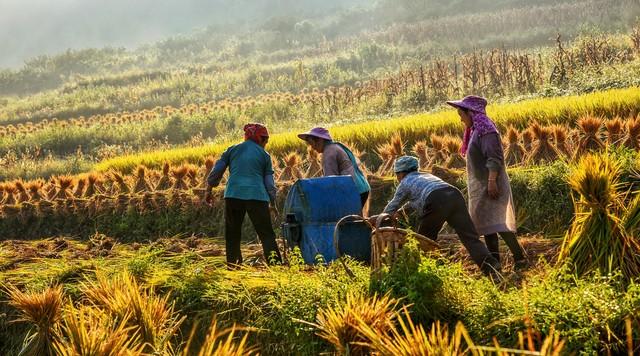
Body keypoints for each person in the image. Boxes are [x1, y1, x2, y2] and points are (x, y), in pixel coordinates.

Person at [381, 156, 501, 275]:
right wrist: (401, 213)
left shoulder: (405, 182)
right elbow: (416, 201)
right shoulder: (426, 176)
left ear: (401, 173)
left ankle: (426, 273)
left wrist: (380, 218)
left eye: (396, 174)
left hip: (436, 199)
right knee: (469, 237)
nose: (397, 178)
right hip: (454, 195)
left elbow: (393, 204)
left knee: (425, 240)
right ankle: (491, 266)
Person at [446, 96, 528, 269]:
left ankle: (520, 259)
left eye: (461, 114)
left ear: (471, 112)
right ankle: (495, 263)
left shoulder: (487, 131)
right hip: (481, 185)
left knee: (498, 223)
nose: (460, 118)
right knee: (487, 225)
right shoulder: (475, 131)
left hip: (491, 184)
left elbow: (494, 158)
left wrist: (492, 181)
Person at [205, 123, 282, 266]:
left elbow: (216, 172)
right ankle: (276, 265)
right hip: (257, 196)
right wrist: (273, 203)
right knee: (266, 233)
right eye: (265, 140)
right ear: (260, 139)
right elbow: (270, 185)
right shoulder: (264, 155)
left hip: (233, 195)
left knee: (232, 234)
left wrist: (208, 191)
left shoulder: (232, 150)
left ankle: (233, 266)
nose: (265, 144)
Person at [298, 127, 371, 208]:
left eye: (312, 144)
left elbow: (330, 180)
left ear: (320, 140)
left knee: (344, 217)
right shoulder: (335, 146)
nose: (313, 148)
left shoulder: (329, 153)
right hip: (361, 188)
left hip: (354, 190)